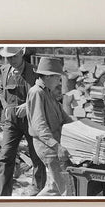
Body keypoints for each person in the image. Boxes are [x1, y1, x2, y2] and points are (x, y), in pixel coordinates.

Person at [0, 46, 46, 196]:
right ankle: (2, 195)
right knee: (5, 155)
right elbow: (0, 88)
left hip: (32, 118)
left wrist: (28, 105)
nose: (10, 60)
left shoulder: (35, 71)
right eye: (8, 57)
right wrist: (6, 106)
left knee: (36, 155)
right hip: (11, 119)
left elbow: (44, 92)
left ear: (21, 54)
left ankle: (37, 190)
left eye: (13, 57)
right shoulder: (4, 70)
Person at [26, 57, 73, 196]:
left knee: (54, 187)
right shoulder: (37, 92)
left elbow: (63, 116)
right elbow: (39, 125)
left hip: (53, 141)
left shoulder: (47, 92)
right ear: (48, 76)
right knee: (65, 188)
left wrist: (80, 128)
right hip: (47, 145)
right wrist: (56, 146)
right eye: (58, 77)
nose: (59, 81)